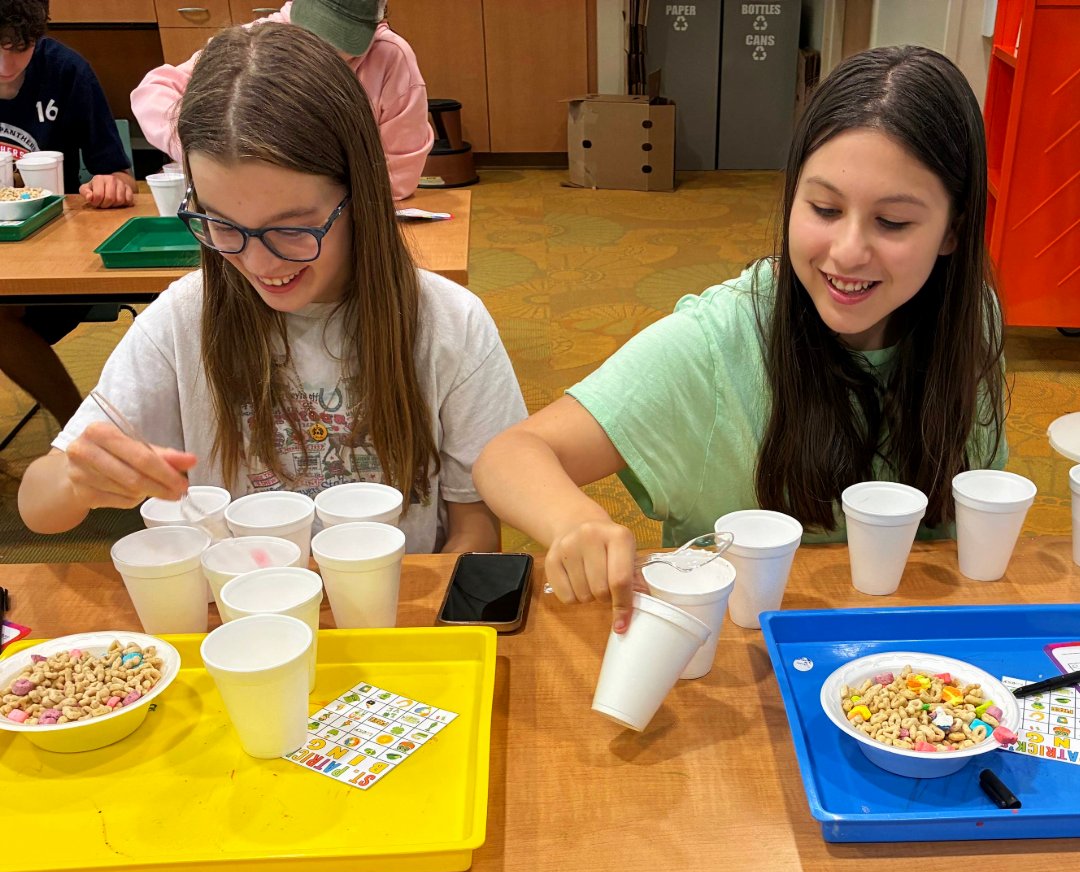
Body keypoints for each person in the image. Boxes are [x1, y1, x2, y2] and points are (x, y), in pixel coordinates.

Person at [474, 45, 1008, 632]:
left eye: (893, 222)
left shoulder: (970, 319)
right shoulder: (718, 343)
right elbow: (510, 455)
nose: (848, 251)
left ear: (954, 228)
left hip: (915, 658)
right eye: (824, 208)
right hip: (740, 662)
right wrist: (572, 518)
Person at [19, 21, 526, 555]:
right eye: (223, 225)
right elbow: (38, 505)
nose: (259, 262)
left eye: (292, 228)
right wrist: (78, 480)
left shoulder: (449, 323)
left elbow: (476, 526)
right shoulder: (181, 322)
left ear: (362, 195)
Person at [130, 0, 433, 201]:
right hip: (253, 208)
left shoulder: (391, 59)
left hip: (348, 220)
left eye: (343, 37)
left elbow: (398, 177)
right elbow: (154, 91)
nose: (326, 48)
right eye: (318, 29)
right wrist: (204, 149)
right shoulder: (253, 45)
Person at [0, 0, 136, 427]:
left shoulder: (66, 70)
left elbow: (117, 172)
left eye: (17, 48)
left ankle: (78, 430)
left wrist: (109, 183)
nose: (5, 65)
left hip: (52, 269)